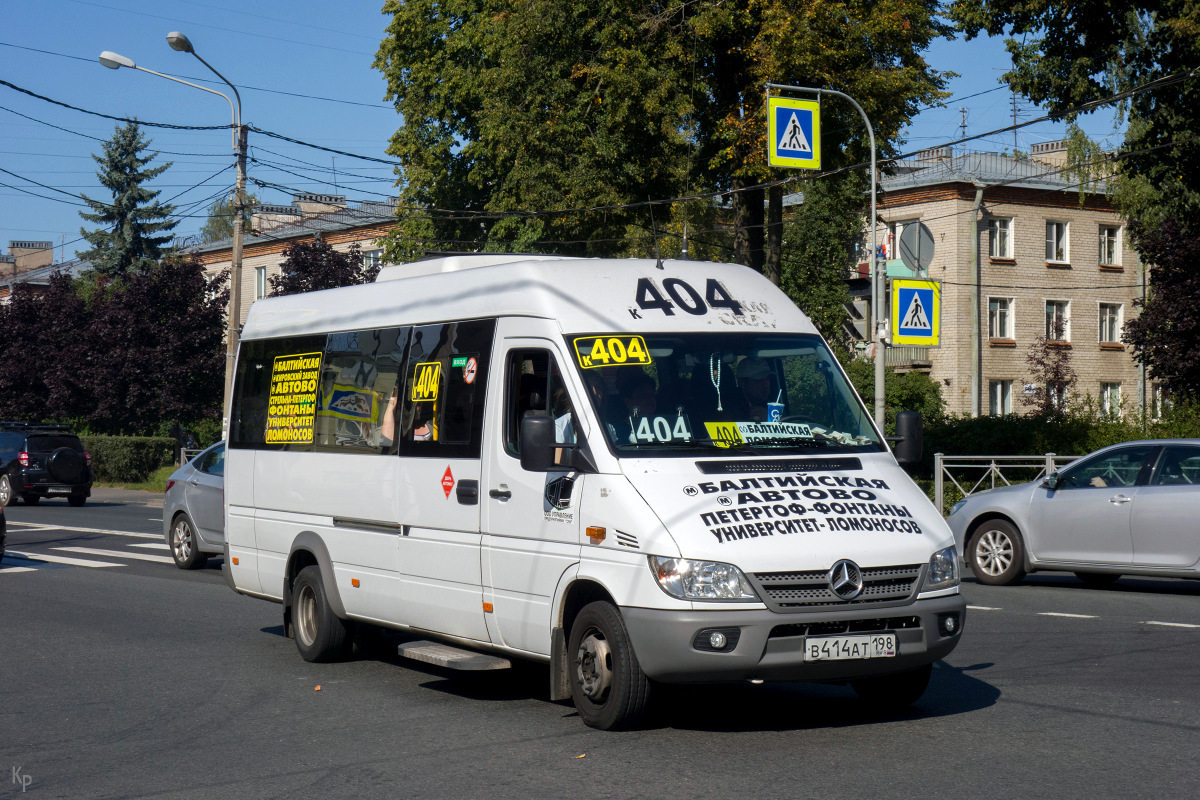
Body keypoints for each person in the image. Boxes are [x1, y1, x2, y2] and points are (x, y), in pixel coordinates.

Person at [736, 357, 773, 422]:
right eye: (759, 380)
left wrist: (770, 416)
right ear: (742, 382)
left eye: (768, 379)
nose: (766, 384)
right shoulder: (729, 406)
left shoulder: (771, 404)